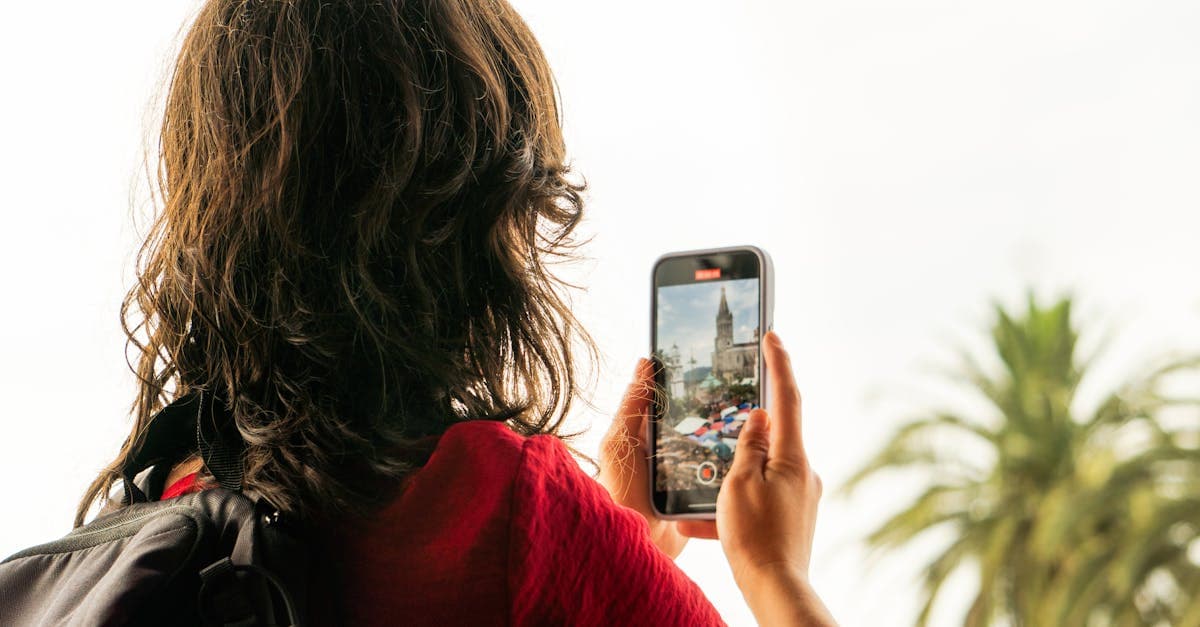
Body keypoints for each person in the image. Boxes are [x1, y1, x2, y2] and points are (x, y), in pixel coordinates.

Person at [79, 1, 836, 625]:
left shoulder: (163, 514)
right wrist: (773, 572)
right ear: (475, 213)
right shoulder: (511, 508)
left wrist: (624, 541)